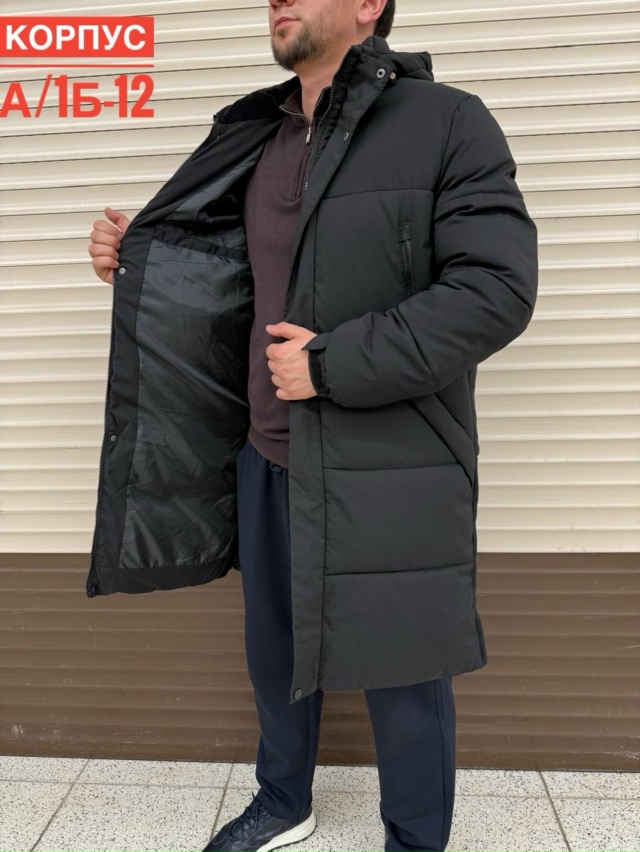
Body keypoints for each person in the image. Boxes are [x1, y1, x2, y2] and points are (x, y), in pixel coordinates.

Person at [87, 1, 538, 850]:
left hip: (389, 461)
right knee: (275, 651)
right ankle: (284, 799)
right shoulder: (254, 131)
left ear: (369, 4)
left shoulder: (447, 122)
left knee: (404, 674)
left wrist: (333, 363)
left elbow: (495, 291)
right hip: (266, 455)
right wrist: (139, 254)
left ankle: (415, 841)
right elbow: (234, 275)